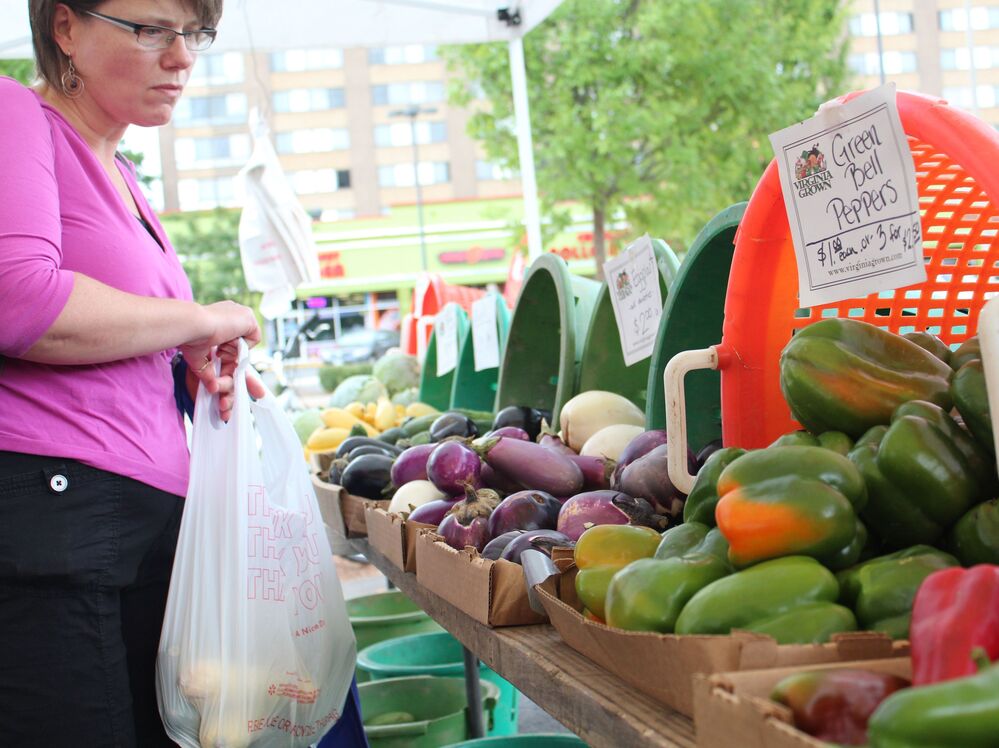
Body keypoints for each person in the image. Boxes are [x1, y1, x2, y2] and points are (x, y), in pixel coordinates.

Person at [1, 1, 269, 745]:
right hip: (57, 517)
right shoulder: (12, 111)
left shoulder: (118, 171)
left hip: (135, 522)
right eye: (151, 29)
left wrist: (180, 360)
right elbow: (20, 298)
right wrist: (199, 320)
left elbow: (105, 327)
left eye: (193, 34)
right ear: (64, 28)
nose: (181, 58)